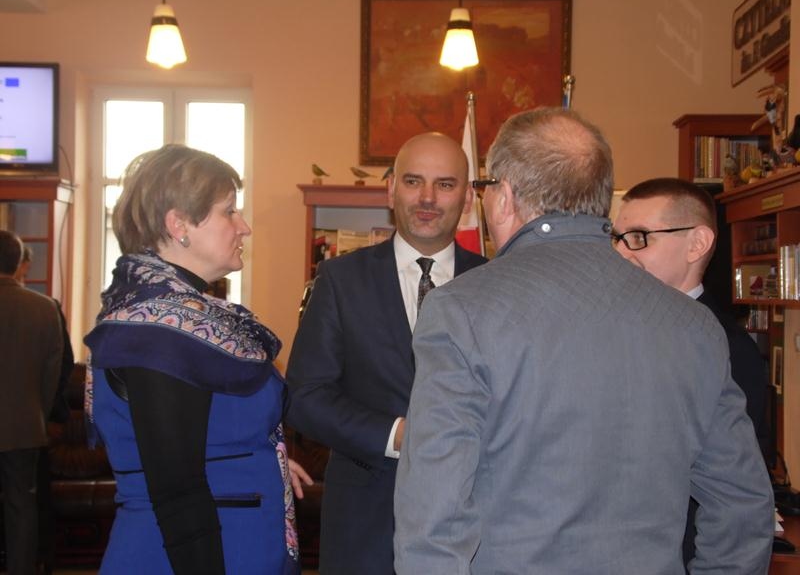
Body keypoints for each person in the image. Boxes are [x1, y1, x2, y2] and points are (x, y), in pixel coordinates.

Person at [393, 108, 774, 574]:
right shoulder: (694, 326)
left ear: (505, 197)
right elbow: (743, 508)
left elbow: (433, 520)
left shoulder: (462, 311)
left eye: (486, 187)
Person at [83, 144, 310, 575]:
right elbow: (177, 491)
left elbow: (199, 438)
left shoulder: (179, 319)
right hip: (191, 557)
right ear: (179, 224)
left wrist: (259, 459)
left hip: (235, 542)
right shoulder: (159, 330)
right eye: (229, 211)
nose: (244, 227)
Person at [286, 132, 487, 574]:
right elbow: (304, 397)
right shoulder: (339, 280)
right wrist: (397, 435)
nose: (428, 198)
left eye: (445, 184)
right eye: (414, 181)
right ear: (391, 188)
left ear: (468, 198)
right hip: (366, 525)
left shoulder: (496, 283)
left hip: (475, 525)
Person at [612, 177, 770, 569]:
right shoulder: (617, 329)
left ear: (696, 244)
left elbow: (734, 495)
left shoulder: (728, 347)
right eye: (615, 239)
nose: (621, 253)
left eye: (639, 238)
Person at [0, 230, 63, 575]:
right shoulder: (44, 309)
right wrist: (38, 411)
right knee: (22, 507)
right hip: (25, 424)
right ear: (19, 264)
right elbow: (51, 374)